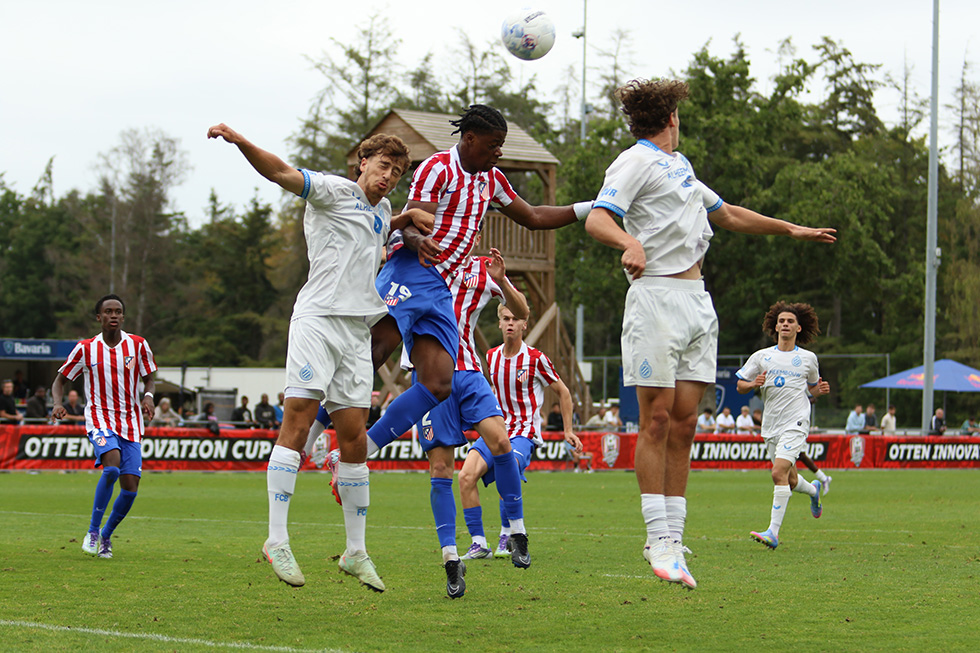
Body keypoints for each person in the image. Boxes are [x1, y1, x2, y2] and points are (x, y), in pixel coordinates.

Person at [584, 78, 836, 589]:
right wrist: (629, 243)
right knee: (656, 420)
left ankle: (675, 540)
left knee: (685, 424)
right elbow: (597, 218)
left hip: (698, 303)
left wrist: (789, 229)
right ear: (671, 117)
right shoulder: (634, 160)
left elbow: (729, 214)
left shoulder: (681, 166)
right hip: (656, 298)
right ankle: (657, 539)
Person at [323, 104, 590, 579]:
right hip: (410, 271)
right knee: (375, 350)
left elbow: (533, 216)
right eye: (493, 145)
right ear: (469, 139)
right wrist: (414, 241)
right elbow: (408, 224)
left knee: (438, 383)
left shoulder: (491, 181)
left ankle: (359, 446)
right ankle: (317, 423)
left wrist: (592, 209)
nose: (499, 153)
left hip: (440, 291)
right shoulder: (437, 169)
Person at [209, 122, 432, 591]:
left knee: (353, 439)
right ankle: (276, 539)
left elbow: (375, 226)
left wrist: (405, 215)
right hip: (317, 321)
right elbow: (280, 173)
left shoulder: (382, 209)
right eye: (383, 166)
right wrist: (241, 141)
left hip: (356, 330)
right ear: (362, 163)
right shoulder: (332, 190)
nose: (388, 176)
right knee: (298, 421)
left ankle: (355, 552)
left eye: (396, 172)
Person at [458, 303, 582, 568]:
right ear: (499, 323)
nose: (510, 323)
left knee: (509, 467)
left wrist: (568, 430)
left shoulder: (536, 359)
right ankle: (479, 543)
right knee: (465, 476)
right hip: (496, 429)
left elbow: (564, 392)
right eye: (506, 318)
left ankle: (508, 535)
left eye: (515, 319)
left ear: (525, 324)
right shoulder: (491, 356)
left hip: (523, 432)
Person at [51, 294, 157, 559]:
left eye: (118, 311)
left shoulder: (138, 345)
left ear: (123, 316)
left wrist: (148, 397)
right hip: (100, 419)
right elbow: (60, 380)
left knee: (130, 489)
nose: (114, 315)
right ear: (99, 317)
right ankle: (93, 531)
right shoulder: (86, 348)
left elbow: (150, 378)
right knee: (111, 467)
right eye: (108, 311)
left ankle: (106, 536)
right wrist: (57, 403)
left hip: (131, 423)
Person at [736, 302, 830, 550]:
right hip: (771, 425)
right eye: (782, 321)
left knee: (777, 473)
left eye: (790, 321)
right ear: (775, 327)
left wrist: (819, 391)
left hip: (796, 422)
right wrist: (753, 383)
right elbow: (740, 385)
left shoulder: (808, 358)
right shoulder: (762, 356)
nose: (785, 324)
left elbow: (812, 389)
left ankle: (773, 533)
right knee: (790, 480)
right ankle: (814, 491)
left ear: (798, 328)